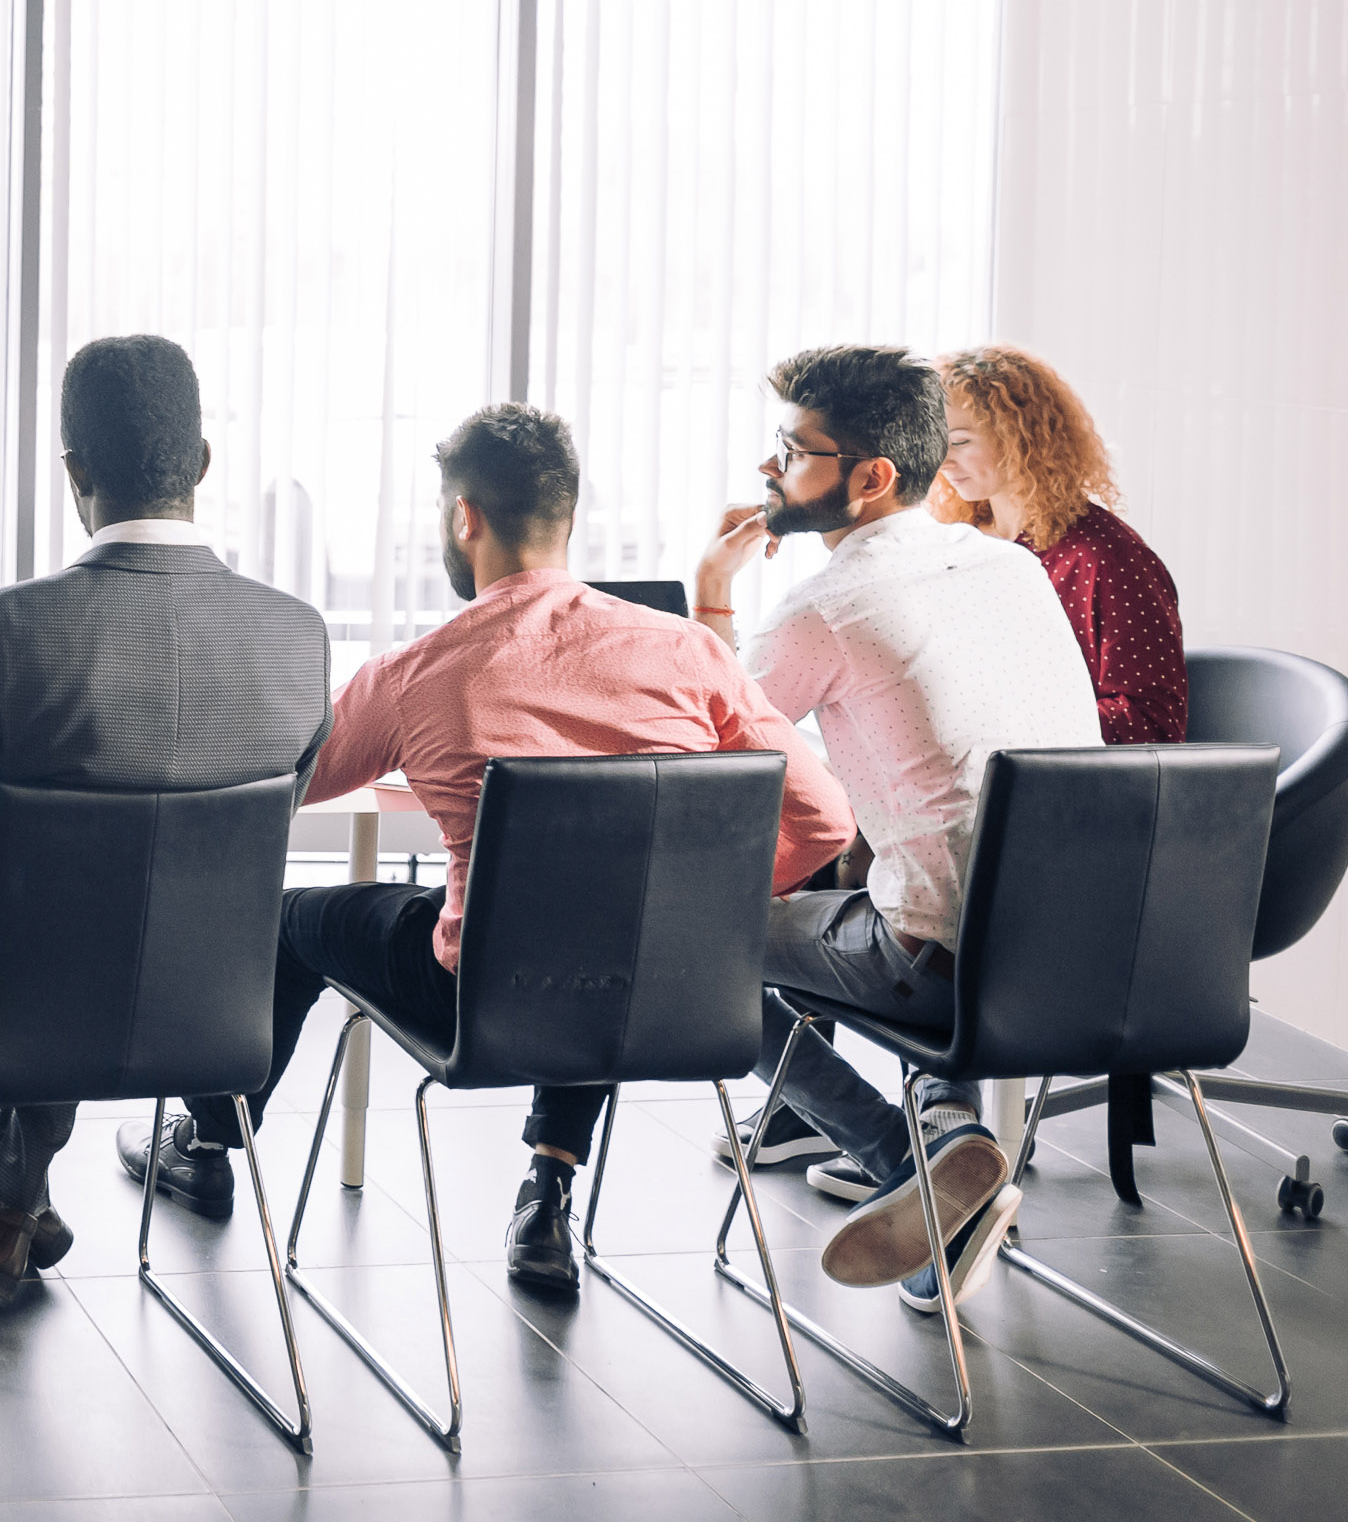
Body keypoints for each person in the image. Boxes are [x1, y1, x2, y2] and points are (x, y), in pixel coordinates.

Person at [155, 405, 854, 1292]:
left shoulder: (416, 672)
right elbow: (826, 820)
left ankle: (207, 1143)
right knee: (604, 923)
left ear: (463, 518)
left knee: (295, 920)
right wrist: (704, 915)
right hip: (670, 999)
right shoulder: (689, 652)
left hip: (475, 1008)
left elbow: (279, 784)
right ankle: (548, 1189)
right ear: (566, 523)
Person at [0, 334, 327, 1306]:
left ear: (74, 471)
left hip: (28, 1008)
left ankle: (3, 1188)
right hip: (214, 1014)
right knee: (75, 934)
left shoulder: (14, 627)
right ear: (203, 465)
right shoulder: (297, 634)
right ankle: (4, 1196)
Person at [696, 344, 1100, 1318]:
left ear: (871, 479)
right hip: (1087, 953)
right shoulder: (1012, 568)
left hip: (945, 961)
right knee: (878, 870)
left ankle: (892, 1156)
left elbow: (706, 766)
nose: (768, 470)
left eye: (793, 451)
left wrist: (712, 588)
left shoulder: (827, 607)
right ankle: (947, 1128)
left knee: (684, 943)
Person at [933, 346, 1186, 746]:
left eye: (960, 441)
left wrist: (1004, 729)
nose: (943, 461)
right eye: (936, 442)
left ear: (1020, 437)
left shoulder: (1108, 559)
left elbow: (1151, 724)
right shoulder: (956, 542)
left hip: (1061, 785)